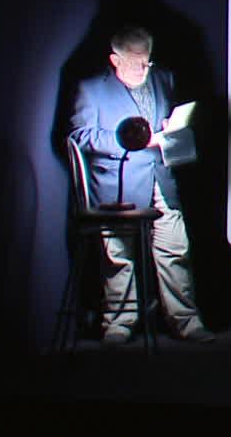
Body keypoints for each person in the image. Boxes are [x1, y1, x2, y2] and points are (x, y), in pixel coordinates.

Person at [69, 27, 214, 344]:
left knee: (175, 250)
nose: (143, 70)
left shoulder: (163, 77)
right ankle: (119, 322)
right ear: (114, 60)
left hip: (161, 178)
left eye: (147, 62)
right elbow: (81, 136)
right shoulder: (92, 89)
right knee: (119, 258)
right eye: (136, 64)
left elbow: (173, 122)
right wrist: (130, 141)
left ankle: (185, 321)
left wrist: (172, 130)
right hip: (118, 186)